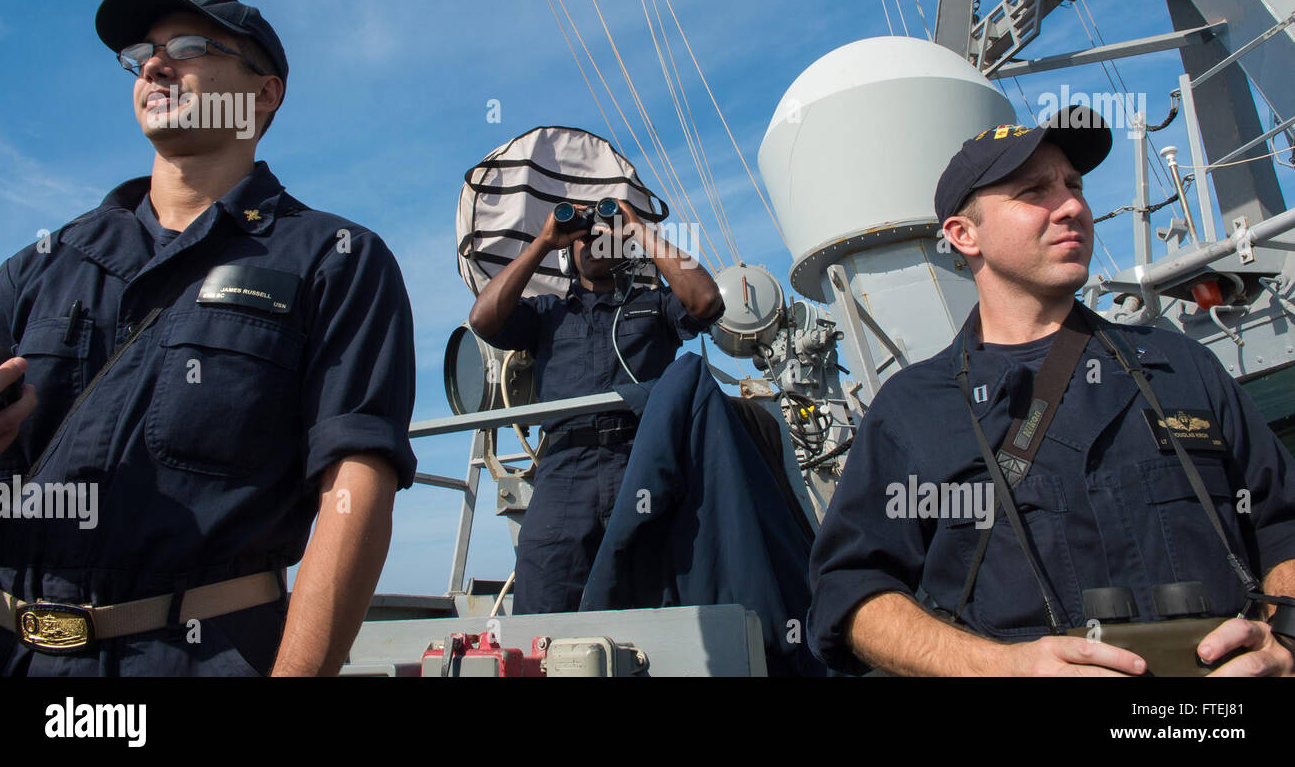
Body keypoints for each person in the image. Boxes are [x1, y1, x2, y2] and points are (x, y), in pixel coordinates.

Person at [0, 0, 418, 676]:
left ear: (265, 92)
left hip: (200, 654)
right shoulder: (41, 266)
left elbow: (356, 480)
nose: (156, 66)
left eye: (190, 47)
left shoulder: (335, 261)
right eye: (143, 54)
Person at [808, 107, 1295, 676]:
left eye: (1074, 186)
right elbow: (852, 593)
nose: (1072, 207)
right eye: (1033, 191)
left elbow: (1282, 521)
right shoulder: (911, 412)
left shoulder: (1181, 368)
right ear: (964, 236)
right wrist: (1002, 668)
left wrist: (1284, 641)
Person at [469, 199, 723, 614]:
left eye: (603, 234)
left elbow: (706, 301)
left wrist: (639, 228)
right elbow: (483, 320)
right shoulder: (547, 313)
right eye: (583, 237)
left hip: (642, 461)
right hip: (565, 468)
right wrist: (544, 241)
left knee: (653, 590)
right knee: (545, 588)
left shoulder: (654, 304)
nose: (592, 241)